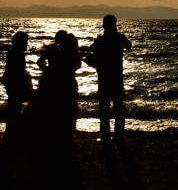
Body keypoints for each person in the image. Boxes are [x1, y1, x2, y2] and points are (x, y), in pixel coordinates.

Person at [85, 14, 132, 142]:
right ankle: (118, 135)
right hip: (116, 76)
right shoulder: (118, 38)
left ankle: (105, 135)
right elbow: (129, 45)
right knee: (118, 107)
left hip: (104, 76)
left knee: (105, 108)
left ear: (104, 25)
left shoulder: (101, 40)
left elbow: (90, 51)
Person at [32, 30, 82, 143]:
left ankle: (55, 133)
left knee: (54, 108)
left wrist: (49, 71)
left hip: (53, 82)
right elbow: (78, 65)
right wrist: (68, 70)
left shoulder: (52, 49)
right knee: (68, 109)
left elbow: (40, 62)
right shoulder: (71, 50)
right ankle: (67, 134)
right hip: (67, 82)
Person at [0, 31, 33, 131]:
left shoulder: (14, 52)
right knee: (14, 108)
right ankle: (12, 131)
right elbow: (14, 70)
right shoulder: (16, 53)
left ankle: (12, 130)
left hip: (13, 83)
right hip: (15, 84)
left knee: (14, 107)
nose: (27, 44)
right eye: (25, 42)